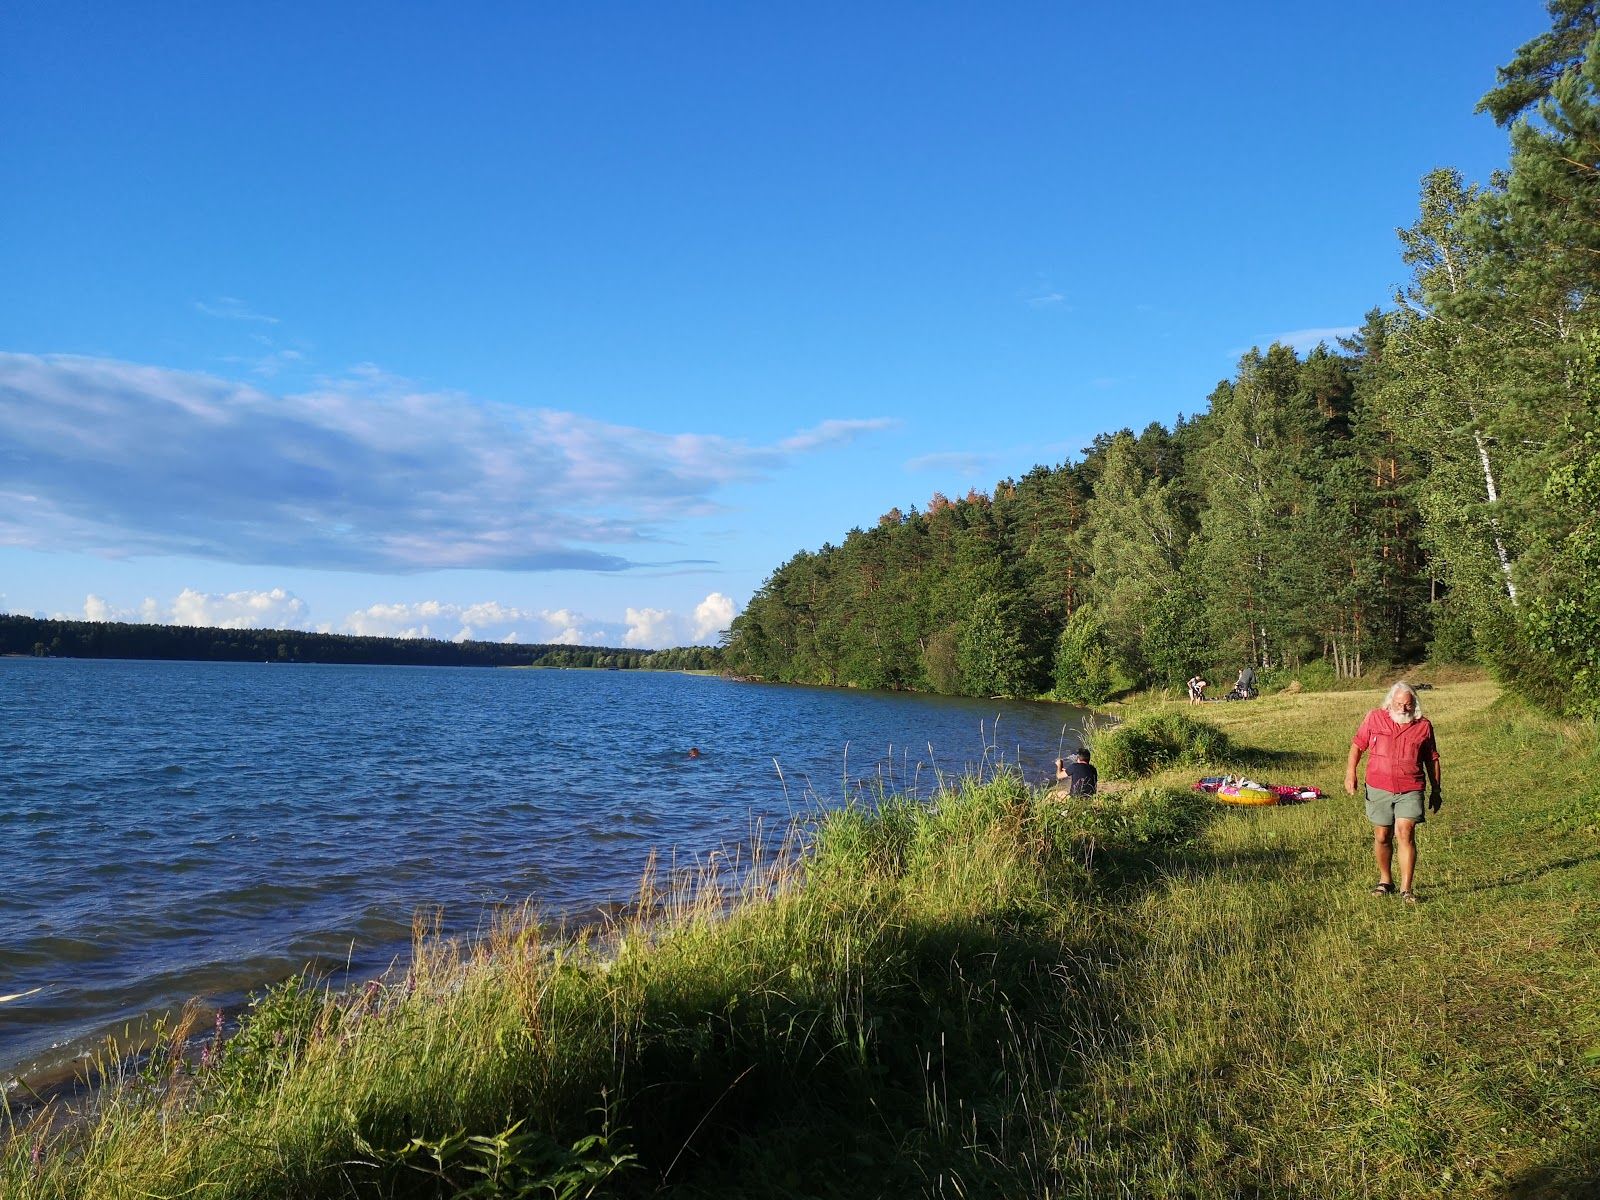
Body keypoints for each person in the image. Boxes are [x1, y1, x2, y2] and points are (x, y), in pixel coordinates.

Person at [1345, 681, 1442, 904]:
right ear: (1391, 702)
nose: (1403, 709)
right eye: (1399, 704)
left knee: (1405, 833)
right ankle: (1385, 880)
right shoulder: (1374, 717)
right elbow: (1357, 746)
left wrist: (1436, 789)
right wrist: (1351, 774)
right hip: (1379, 786)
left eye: (1408, 705)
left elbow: (1432, 759)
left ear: (1415, 704)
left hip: (1411, 787)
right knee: (1382, 836)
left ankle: (1406, 889)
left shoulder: (1424, 726)